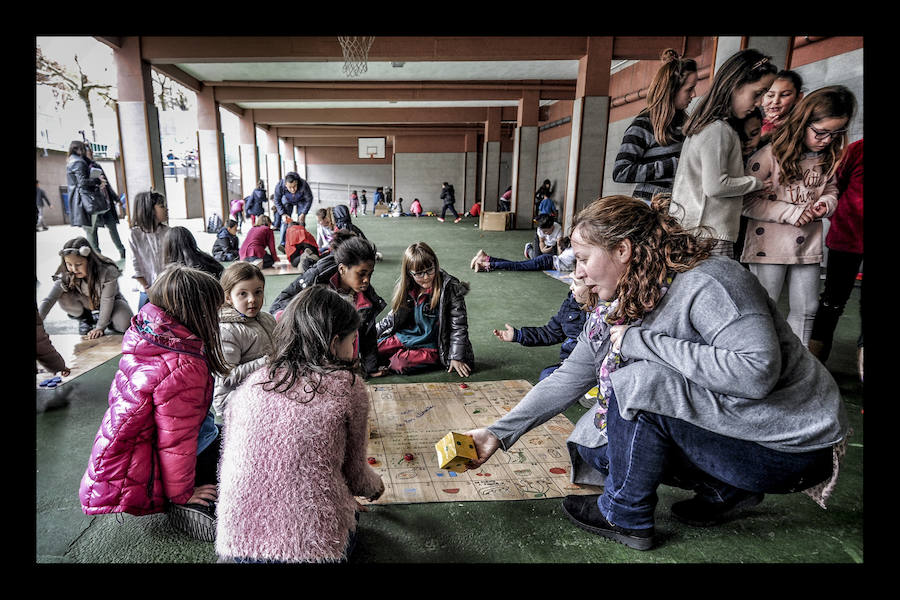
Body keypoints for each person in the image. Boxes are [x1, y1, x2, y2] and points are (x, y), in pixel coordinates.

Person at [463, 194, 848, 550]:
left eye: (582, 258)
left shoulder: (710, 281)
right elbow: (569, 377)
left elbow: (756, 373)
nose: (576, 274)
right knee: (596, 450)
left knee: (637, 385)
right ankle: (724, 489)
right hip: (744, 430)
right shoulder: (621, 301)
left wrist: (640, 342)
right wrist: (498, 433)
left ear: (623, 250)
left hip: (790, 444)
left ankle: (624, 515)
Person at [215, 285, 384, 563]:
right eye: (353, 341)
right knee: (352, 518)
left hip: (237, 544)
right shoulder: (348, 386)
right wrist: (375, 487)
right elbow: (357, 479)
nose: (355, 350)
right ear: (333, 343)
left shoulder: (253, 382)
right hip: (312, 550)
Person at [79, 265, 231, 543]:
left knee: (227, 435)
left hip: (149, 453)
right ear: (199, 313)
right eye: (215, 310)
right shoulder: (183, 367)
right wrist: (183, 492)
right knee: (245, 456)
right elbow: (177, 442)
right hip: (173, 461)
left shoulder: (148, 332)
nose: (218, 317)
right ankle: (186, 503)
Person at [740, 86, 856, 346]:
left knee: (807, 309)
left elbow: (831, 189)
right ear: (804, 122)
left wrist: (826, 204)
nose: (827, 140)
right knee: (765, 308)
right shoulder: (769, 155)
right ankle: (764, 361)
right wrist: (790, 212)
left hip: (808, 244)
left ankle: (797, 369)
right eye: (821, 132)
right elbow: (745, 202)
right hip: (769, 246)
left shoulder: (827, 157)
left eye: (835, 134)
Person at [669, 48, 777, 259]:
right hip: (709, 232)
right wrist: (755, 183)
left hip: (697, 229)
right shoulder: (717, 130)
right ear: (735, 85)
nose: (760, 103)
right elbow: (716, 186)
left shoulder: (709, 126)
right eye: (757, 93)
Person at [269, 233, 387, 378]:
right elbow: (278, 305)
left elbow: (368, 334)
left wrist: (371, 368)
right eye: (361, 274)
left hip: (344, 355)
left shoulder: (365, 297)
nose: (366, 280)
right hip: (313, 353)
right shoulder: (316, 279)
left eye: (370, 274)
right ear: (342, 269)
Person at [375, 242, 475, 377]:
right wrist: (369, 335)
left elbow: (458, 326)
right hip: (407, 336)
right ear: (410, 273)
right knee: (373, 349)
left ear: (436, 264)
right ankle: (394, 355)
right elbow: (392, 318)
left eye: (430, 270)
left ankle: (397, 357)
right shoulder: (407, 287)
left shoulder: (450, 288)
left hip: (433, 345)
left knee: (399, 363)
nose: (426, 277)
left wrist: (455, 356)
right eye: (419, 273)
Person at [612, 49, 699, 204]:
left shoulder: (686, 124)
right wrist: (673, 165)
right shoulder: (644, 124)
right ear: (672, 90)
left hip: (678, 206)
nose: (694, 94)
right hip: (648, 207)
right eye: (689, 89)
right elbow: (621, 172)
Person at [808, 138, 863, 377]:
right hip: (847, 239)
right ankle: (811, 372)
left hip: (848, 237)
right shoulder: (857, 150)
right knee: (831, 303)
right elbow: (835, 186)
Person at [492, 277, 595, 381]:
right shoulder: (571, 303)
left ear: (594, 287)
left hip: (593, 368)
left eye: (576, 284)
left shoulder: (605, 314)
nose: (571, 286)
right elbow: (551, 332)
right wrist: (518, 335)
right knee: (547, 375)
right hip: (571, 364)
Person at [212, 262, 277, 423]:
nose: (252, 300)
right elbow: (227, 378)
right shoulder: (226, 330)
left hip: (263, 386)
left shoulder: (267, 319)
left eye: (258, 292)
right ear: (228, 298)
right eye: (243, 294)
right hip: (233, 399)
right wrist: (266, 362)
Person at [39, 237, 133, 338]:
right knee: (62, 295)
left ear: (89, 260)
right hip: (85, 303)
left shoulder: (107, 270)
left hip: (112, 302)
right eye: (69, 264)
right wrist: (38, 321)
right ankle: (86, 318)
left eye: (79, 264)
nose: (74, 269)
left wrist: (100, 327)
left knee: (125, 325)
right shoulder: (66, 273)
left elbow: (107, 299)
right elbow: (49, 299)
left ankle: (107, 320)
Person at [127, 190, 169, 310]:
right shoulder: (134, 234)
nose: (166, 209)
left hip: (167, 287)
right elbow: (134, 266)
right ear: (149, 209)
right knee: (144, 318)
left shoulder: (168, 232)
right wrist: (147, 288)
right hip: (147, 289)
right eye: (162, 206)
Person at [66, 140, 109, 255]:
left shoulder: (72, 161)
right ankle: (96, 259)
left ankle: (96, 257)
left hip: (81, 201)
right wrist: (97, 180)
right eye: (83, 149)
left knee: (91, 230)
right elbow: (83, 181)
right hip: (85, 201)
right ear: (78, 149)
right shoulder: (78, 162)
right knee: (90, 231)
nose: (85, 151)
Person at [84, 144, 127, 260]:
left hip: (104, 203)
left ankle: (122, 251)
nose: (90, 154)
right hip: (91, 206)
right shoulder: (80, 168)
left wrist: (116, 198)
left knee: (112, 227)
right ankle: (97, 256)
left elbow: (106, 185)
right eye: (88, 152)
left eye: (91, 152)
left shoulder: (96, 166)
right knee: (92, 232)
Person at [471, 235, 576, 273]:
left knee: (515, 264)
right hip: (547, 262)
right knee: (516, 266)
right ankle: (486, 264)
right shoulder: (575, 252)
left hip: (547, 260)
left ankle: (486, 258)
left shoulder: (573, 250)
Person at [273, 171, 314, 246]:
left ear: (297, 182)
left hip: (301, 200)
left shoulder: (303, 184)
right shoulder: (280, 185)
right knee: (285, 221)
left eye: (295, 186)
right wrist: (283, 213)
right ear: (285, 184)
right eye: (290, 187)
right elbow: (276, 200)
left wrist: (303, 213)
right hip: (287, 200)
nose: (293, 190)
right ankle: (283, 243)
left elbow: (309, 199)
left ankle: (301, 241)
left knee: (301, 220)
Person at [761, 70, 804, 139]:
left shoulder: (801, 128)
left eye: (784, 95)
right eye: (770, 95)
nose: (775, 101)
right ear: (762, 98)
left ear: (798, 98)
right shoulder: (748, 122)